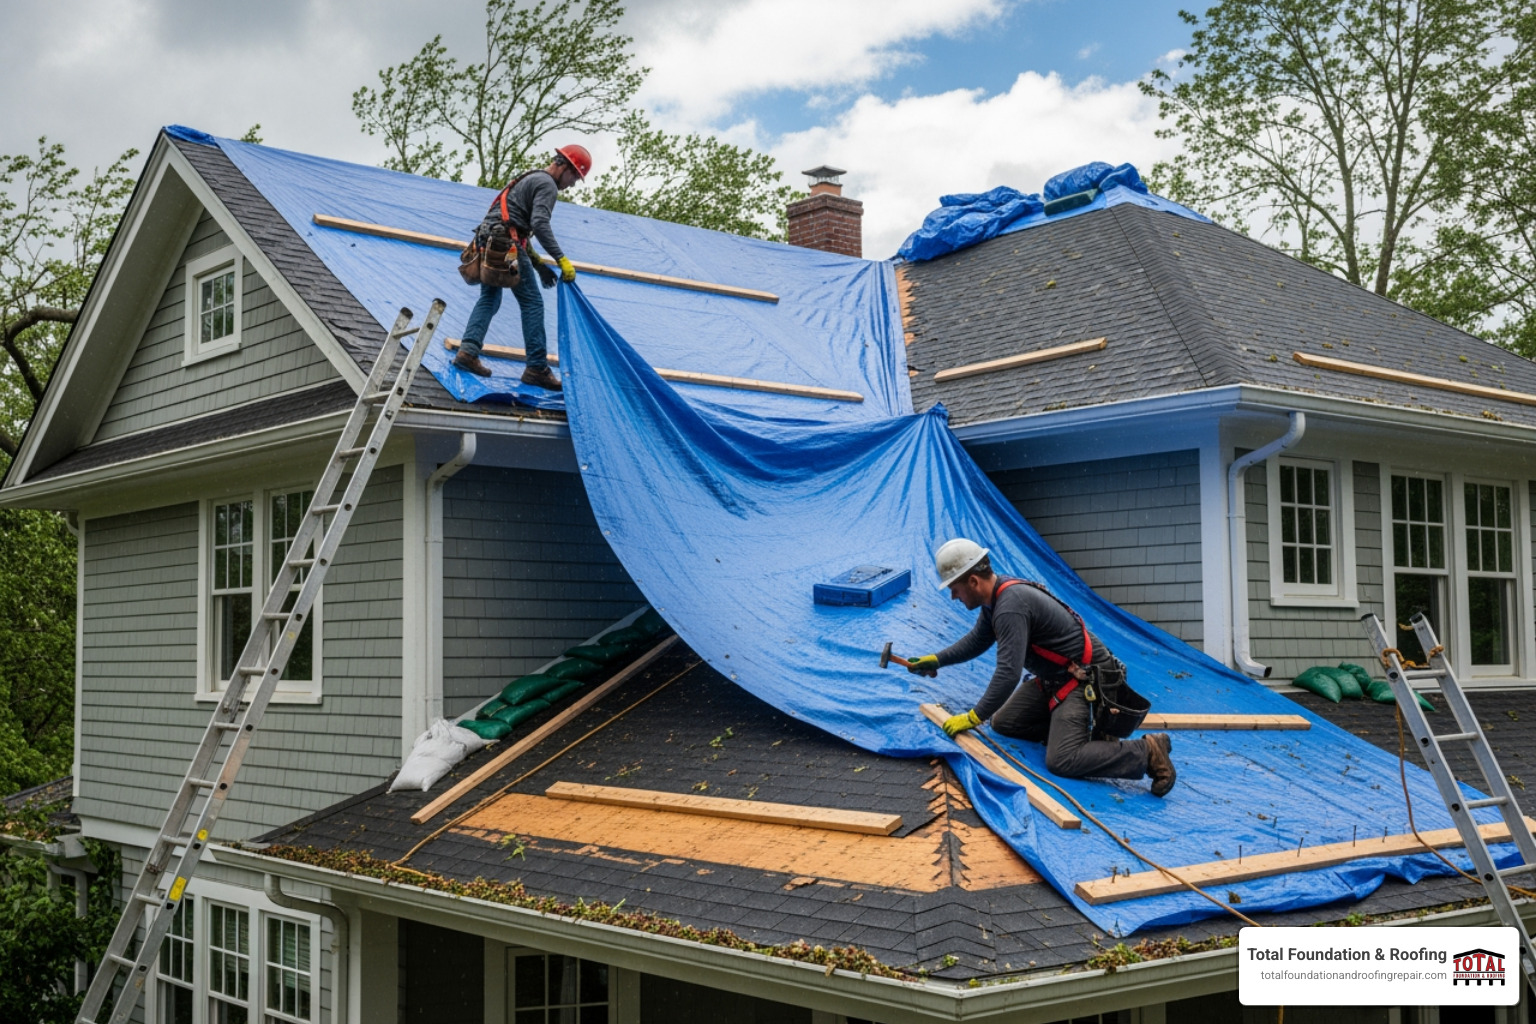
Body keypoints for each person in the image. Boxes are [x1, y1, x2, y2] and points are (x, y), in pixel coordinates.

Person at [909, 538, 1177, 797]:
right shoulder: (997, 600)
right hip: (1056, 679)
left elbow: (1008, 674)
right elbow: (977, 640)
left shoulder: (1009, 607)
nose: (954, 596)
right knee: (1004, 723)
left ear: (973, 581)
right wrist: (937, 659)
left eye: (954, 588)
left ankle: (1148, 751)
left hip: (1084, 681)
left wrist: (973, 717)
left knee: (1062, 759)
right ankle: (1082, 731)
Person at [452, 144, 593, 390]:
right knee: (532, 303)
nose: (571, 185)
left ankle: (467, 352)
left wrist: (538, 266)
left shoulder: (529, 178)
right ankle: (536, 368)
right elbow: (539, 223)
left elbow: (514, 226)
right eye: (574, 178)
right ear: (564, 166)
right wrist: (561, 259)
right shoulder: (548, 184)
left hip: (489, 240)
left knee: (489, 298)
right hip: (505, 244)